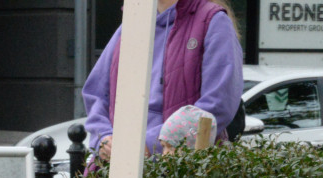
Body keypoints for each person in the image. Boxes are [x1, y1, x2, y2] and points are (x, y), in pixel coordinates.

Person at [82, 0, 242, 161]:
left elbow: (218, 103)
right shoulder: (132, 23)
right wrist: (104, 138)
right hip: (117, 165)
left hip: (178, 170)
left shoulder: (213, 20)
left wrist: (150, 143)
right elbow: (96, 93)